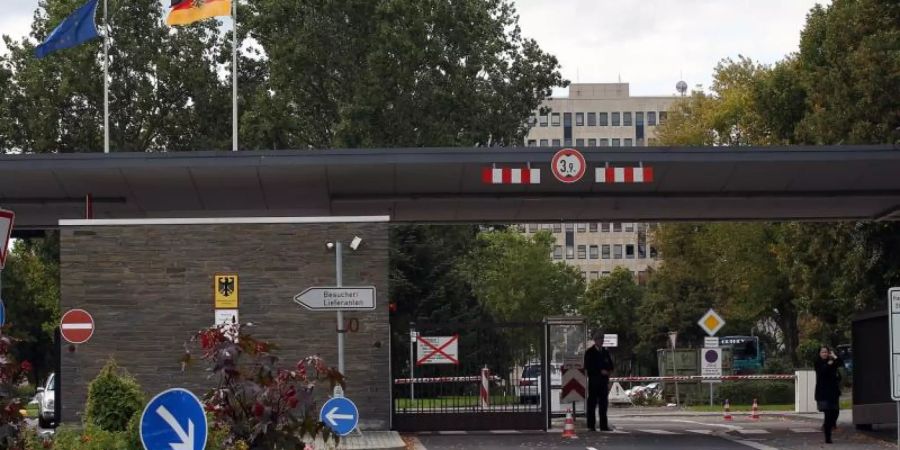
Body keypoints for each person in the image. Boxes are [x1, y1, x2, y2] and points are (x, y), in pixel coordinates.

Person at [584, 330, 614, 431]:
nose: (601, 341)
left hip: (603, 382)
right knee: (592, 404)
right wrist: (600, 371)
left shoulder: (605, 352)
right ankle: (591, 425)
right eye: (600, 339)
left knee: (603, 404)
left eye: (602, 339)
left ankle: (603, 425)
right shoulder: (590, 352)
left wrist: (608, 372)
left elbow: (610, 365)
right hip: (594, 381)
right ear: (595, 340)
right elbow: (588, 366)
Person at [814, 345, 844, 444]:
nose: (824, 354)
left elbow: (841, 363)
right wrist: (829, 364)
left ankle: (831, 425)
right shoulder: (818, 362)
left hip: (833, 391)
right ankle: (828, 437)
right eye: (822, 352)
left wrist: (834, 356)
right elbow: (822, 372)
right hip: (823, 392)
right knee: (828, 414)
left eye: (826, 352)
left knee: (835, 412)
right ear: (819, 353)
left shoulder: (832, 361)